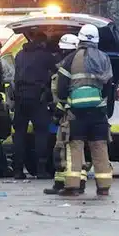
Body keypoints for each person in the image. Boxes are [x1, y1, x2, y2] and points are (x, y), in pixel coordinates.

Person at [54, 24, 115, 197]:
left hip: (76, 113)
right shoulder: (104, 58)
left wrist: (65, 102)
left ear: (79, 39)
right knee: (100, 148)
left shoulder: (70, 59)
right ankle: (103, 187)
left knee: (75, 148)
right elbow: (109, 86)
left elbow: (61, 87)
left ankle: (72, 187)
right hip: (98, 112)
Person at [43, 33, 88, 195]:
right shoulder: (67, 67)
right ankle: (62, 182)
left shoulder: (70, 69)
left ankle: (75, 182)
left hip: (69, 114)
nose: (62, 54)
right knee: (64, 149)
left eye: (65, 50)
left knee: (68, 148)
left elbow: (65, 93)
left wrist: (58, 111)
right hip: (66, 113)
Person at [11, 30, 57, 179]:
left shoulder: (19, 55)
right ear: (43, 43)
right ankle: (41, 169)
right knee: (41, 133)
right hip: (38, 98)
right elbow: (58, 71)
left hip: (20, 98)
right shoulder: (46, 56)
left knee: (19, 134)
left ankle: (17, 170)